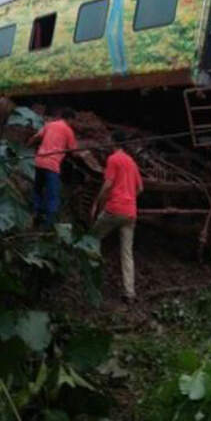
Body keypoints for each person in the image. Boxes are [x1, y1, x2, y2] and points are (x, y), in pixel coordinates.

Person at [91, 130, 143, 303]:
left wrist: (97, 204)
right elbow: (140, 188)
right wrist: (129, 197)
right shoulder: (132, 162)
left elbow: (107, 186)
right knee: (127, 253)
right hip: (130, 212)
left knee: (93, 238)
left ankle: (93, 281)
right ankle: (129, 292)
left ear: (113, 142)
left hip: (114, 209)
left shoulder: (113, 159)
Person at [27, 107, 78, 227]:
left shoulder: (49, 125)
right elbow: (74, 151)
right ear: (70, 119)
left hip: (39, 162)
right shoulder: (68, 130)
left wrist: (27, 145)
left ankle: (35, 213)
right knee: (53, 194)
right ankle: (48, 224)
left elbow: (36, 137)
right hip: (52, 165)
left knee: (37, 189)